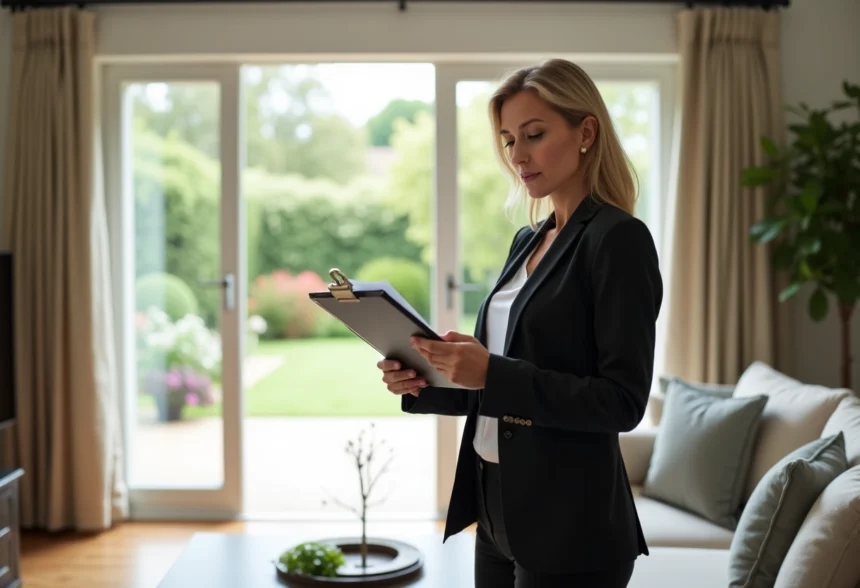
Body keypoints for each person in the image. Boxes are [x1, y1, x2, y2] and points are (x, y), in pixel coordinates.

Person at [377, 58, 662, 588]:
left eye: (534, 134)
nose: (518, 155)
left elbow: (622, 402)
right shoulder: (528, 240)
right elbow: (501, 385)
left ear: (586, 132)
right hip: (497, 508)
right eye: (509, 140)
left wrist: (492, 371)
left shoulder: (617, 240)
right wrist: (427, 379)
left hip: (571, 523)